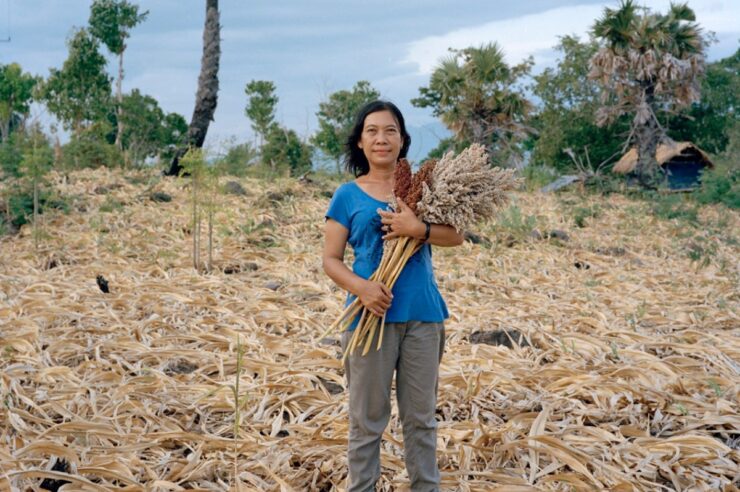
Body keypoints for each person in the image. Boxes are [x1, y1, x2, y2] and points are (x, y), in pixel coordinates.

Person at [322, 100, 464, 491]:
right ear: (361, 142)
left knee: (421, 420)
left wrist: (416, 227)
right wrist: (363, 288)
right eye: (372, 131)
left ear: (402, 140)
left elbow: (456, 235)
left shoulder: (428, 191)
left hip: (423, 315)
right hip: (370, 317)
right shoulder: (347, 196)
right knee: (367, 421)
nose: (382, 138)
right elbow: (331, 261)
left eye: (390, 131)